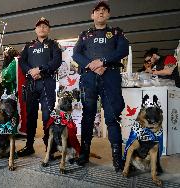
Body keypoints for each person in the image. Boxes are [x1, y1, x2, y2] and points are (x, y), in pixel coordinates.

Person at [72, 1, 129, 172]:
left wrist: (103, 61)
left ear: (108, 15)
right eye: (98, 10)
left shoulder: (116, 33)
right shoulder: (84, 35)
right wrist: (92, 64)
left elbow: (123, 50)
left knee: (112, 118)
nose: (101, 13)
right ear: (92, 15)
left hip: (110, 77)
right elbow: (76, 54)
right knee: (87, 116)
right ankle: (84, 154)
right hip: (89, 78)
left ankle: (117, 159)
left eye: (105, 10)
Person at [17, 17, 62, 157]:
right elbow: (22, 61)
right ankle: (29, 145)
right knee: (30, 115)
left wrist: (41, 70)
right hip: (31, 84)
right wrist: (30, 71)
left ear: (48, 29)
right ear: (35, 29)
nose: (42, 28)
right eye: (39, 26)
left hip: (47, 84)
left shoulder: (54, 45)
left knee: (47, 116)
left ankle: (50, 147)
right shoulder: (28, 45)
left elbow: (57, 61)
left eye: (45, 26)